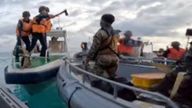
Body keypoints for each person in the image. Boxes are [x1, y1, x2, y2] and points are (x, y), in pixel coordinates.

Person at [151, 42, 192, 106]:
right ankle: (165, 89)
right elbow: (182, 60)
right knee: (172, 75)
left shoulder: (184, 51)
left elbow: (185, 63)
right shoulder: (183, 50)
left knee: (172, 75)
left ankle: (164, 91)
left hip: (181, 68)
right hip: (175, 64)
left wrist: (175, 69)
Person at [85, 14, 118, 79]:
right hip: (114, 59)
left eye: (101, 20)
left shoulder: (100, 33)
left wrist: (88, 59)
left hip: (103, 59)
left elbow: (94, 48)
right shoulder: (115, 33)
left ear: (103, 21)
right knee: (112, 78)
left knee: (99, 78)